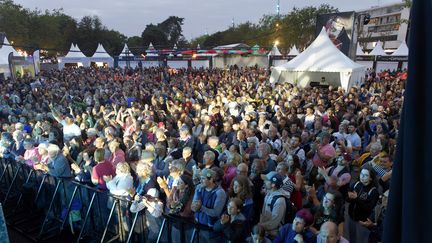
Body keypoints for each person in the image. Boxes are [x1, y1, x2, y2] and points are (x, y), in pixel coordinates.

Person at [191, 168, 227, 242]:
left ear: (211, 180)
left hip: (211, 231)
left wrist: (201, 207)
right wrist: (194, 207)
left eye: (203, 179)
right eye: (200, 178)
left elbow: (216, 213)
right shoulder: (199, 188)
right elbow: (193, 206)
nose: (200, 181)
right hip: (197, 225)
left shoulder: (220, 193)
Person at [345, 167, 379, 243]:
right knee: (352, 238)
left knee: (361, 240)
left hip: (362, 222)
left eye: (366, 175)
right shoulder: (356, 184)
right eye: (361, 174)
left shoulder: (373, 191)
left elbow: (369, 208)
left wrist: (357, 199)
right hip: (351, 217)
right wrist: (349, 197)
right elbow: (347, 199)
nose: (362, 177)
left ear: (371, 178)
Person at [258, 172, 287, 238]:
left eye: (267, 180)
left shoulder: (279, 201)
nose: (264, 181)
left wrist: (260, 226)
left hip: (273, 235)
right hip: (265, 230)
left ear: (273, 184)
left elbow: (274, 223)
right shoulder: (268, 194)